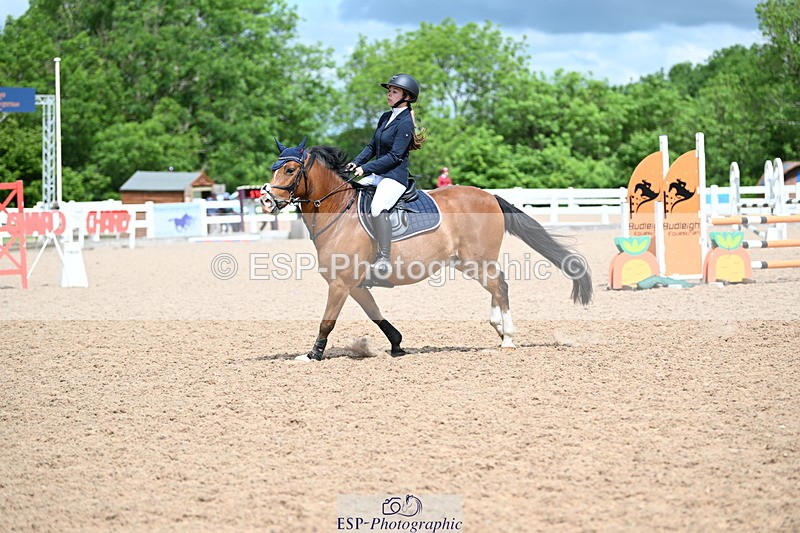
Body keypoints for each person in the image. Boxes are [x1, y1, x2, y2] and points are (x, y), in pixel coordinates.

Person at [346, 73, 426, 278]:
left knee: (377, 207)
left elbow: (395, 156)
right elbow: (372, 146)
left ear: (406, 97)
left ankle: (384, 258)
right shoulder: (385, 117)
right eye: (389, 91)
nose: (389, 95)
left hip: (395, 177)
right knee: (351, 194)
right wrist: (356, 162)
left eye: (394, 92)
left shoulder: (405, 122)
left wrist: (366, 169)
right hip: (379, 174)